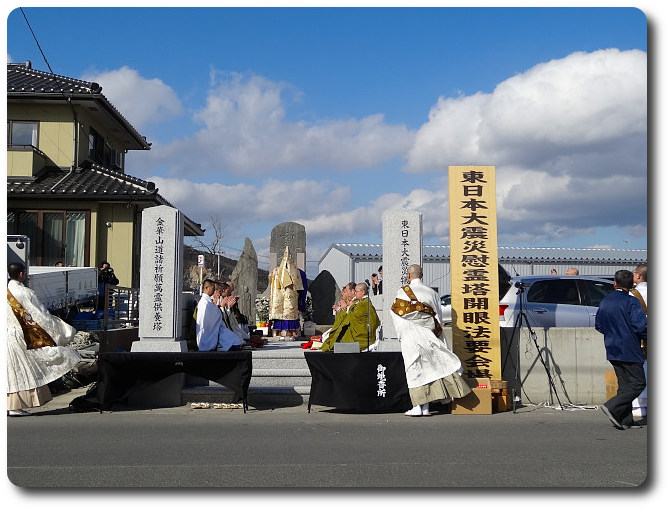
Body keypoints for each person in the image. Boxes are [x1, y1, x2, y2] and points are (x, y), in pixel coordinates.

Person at [390, 264, 472, 417]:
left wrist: (403, 332)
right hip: (429, 336)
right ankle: (426, 407)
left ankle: (417, 407)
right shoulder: (432, 293)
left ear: (409, 276)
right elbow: (438, 319)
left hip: (411, 336)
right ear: (422, 275)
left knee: (415, 370)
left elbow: (396, 313)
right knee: (430, 370)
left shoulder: (402, 292)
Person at [6, 262, 82, 416]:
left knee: (10, 370)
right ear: (21, 274)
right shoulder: (25, 293)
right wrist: (58, 331)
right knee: (24, 369)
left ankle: (10, 405)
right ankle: (14, 406)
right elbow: (41, 316)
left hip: (6, 334)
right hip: (22, 335)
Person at [595, 269, 647, 430]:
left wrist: (612, 334)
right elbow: (641, 326)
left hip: (612, 347)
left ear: (614, 283)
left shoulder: (605, 301)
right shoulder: (631, 302)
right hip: (629, 348)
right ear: (632, 285)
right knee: (638, 383)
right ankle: (612, 406)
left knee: (625, 385)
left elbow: (599, 325)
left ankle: (625, 420)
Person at [319, 283, 379, 351]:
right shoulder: (359, 302)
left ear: (363, 292)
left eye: (356, 291)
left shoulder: (364, 304)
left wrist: (349, 307)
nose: (355, 293)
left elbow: (353, 316)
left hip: (360, 337)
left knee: (335, 340)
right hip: (355, 333)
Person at [195, 279, 241, 352]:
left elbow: (217, 314)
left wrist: (222, 307)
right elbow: (212, 315)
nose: (213, 291)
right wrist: (220, 307)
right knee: (234, 342)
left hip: (217, 327)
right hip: (208, 332)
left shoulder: (208, 301)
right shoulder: (204, 303)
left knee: (236, 341)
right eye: (213, 289)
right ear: (207, 288)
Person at [630, 263, 647, 420]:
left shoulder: (633, 294)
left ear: (638, 276)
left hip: (640, 337)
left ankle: (640, 405)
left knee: (639, 371)